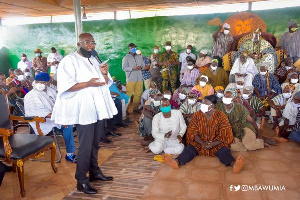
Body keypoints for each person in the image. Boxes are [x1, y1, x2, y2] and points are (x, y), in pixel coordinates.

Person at [51, 33, 116, 194]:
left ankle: (94, 172)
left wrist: (105, 73)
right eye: (87, 42)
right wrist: (88, 83)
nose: (91, 45)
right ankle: (81, 180)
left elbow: (104, 83)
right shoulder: (69, 61)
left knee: (95, 143)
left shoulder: (94, 59)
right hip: (84, 110)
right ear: (78, 43)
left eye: (93, 42)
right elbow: (65, 86)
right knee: (86, 146)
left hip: (97, 108)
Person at [164, 95, 245, 174]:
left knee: (224, 151)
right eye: (202, 104)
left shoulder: (221, 116)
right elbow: (192, 131)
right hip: (199, 142)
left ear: (212, 106)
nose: (202, 106)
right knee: (189, 150)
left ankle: (234, 164)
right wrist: (202, 143)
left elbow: (225, 134)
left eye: (205, 104)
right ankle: (176, 162)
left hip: (216, 143)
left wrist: (212, 143)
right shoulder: (197, 115)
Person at [24, 73, 76, 162]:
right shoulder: (31, 95)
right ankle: (70, 154)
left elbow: (60, 102)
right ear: (35, 82)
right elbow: (40, 113)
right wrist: (62, 119)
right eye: (39, 82)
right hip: (43, 121)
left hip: (55, 117)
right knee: (68, 125)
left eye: (44, 82)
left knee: (78, 118)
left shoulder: (50, 90)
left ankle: (84, 146)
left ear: (48, 82)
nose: (41, 84)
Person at [122, 43, 145, 113]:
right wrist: (133, 68)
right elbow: (124, 68)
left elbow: (143, 65)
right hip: (131, 78)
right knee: (128, 94)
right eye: (132, 48)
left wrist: (141, 67)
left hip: (139, 78)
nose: (134, 49)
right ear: (129, 49)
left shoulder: (139, 56)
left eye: (135, 48)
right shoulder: (126, 58)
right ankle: (125, 110)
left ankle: (135, 109)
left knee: (138, 94)